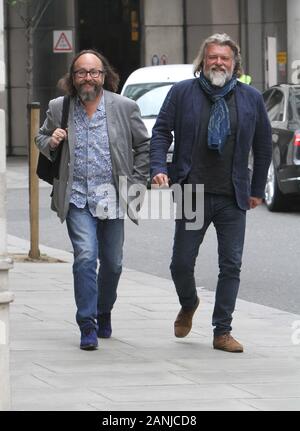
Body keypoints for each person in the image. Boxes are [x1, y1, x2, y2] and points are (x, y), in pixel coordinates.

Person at [150, 33, 272, 353]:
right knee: (180, 263)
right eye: (212, 57)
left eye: (225, 58)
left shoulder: (250, 98)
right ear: (202, 62)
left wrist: (257, 188)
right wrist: (158, 168)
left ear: (234, 64)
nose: (218, 62)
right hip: (193, 191)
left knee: (231, 264)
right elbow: (161, 131)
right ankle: (189, 303)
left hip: (233, 194)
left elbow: (262, 146)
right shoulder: (182, 93)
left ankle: (222, 331)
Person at [36, 50, 149, 350]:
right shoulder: (59, 107)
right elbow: (41, 138)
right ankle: (87, 323)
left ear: (104, 75)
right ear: (72, 78)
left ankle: (103, 309)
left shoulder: (124, 107)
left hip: (113, 198)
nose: (88, 77)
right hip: (77, 198)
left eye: (94, 72)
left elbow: (145, 146)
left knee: (113, 264)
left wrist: (137, 183)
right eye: (81, 72)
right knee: (85, 257)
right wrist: (52, 141)